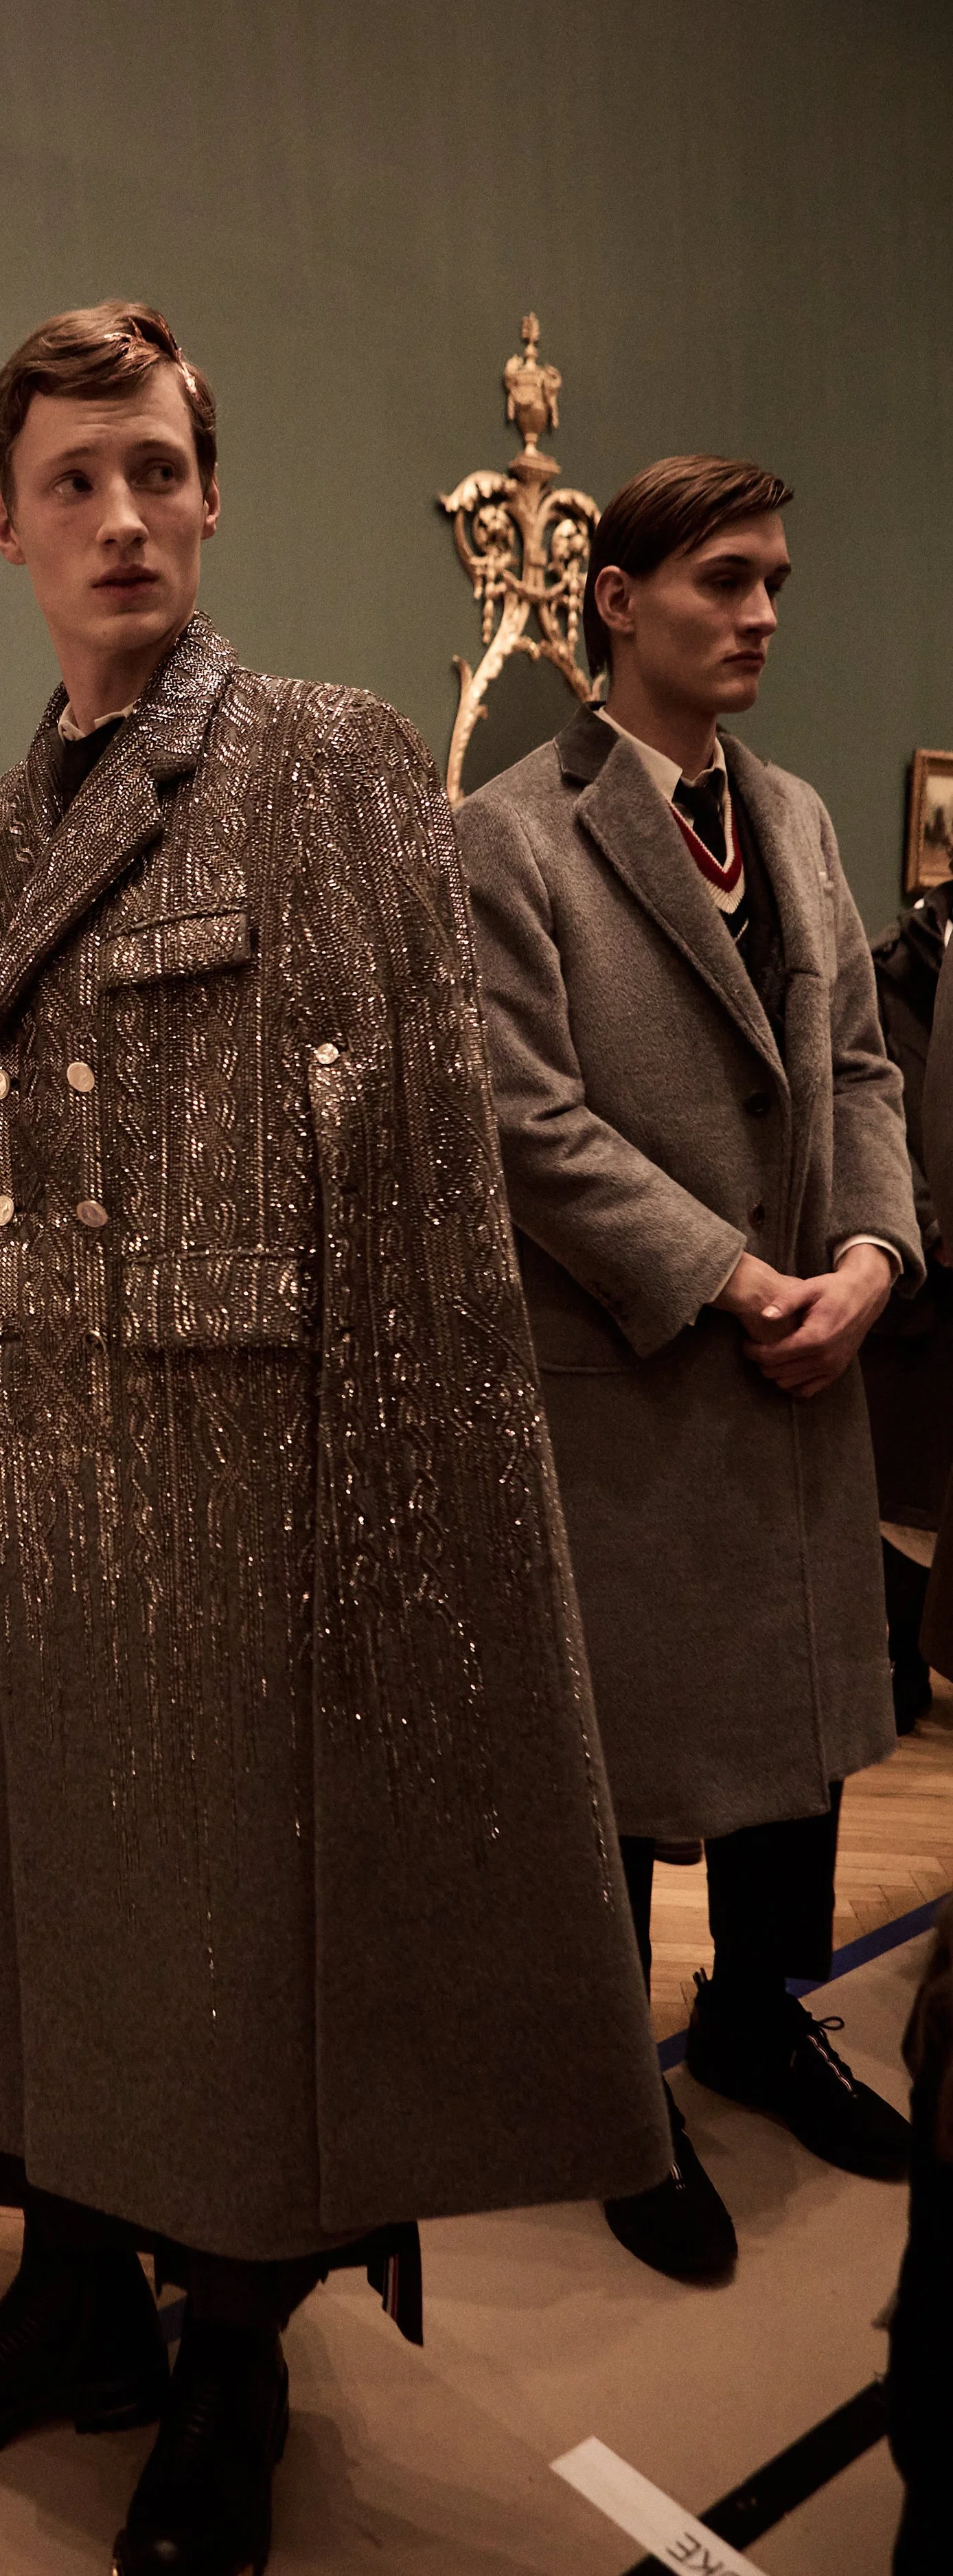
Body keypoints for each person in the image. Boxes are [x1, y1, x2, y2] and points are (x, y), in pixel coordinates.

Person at [0, 301, 666, 2576]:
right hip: (13, 1468)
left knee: (221, 1971)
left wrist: (405, 1547)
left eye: (157, 471)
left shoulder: (325, 762)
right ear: (3, 523)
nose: (121, 515)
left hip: (240, 1489)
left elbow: (417, 1180)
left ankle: (232, 2359)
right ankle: (70, 2294)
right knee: (24, 1928)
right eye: (75, 480)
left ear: (209, 499)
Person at [458, 455, 919, 2288]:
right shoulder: (509, 832)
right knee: (629, 1755)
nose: (760, 614)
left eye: (776, 581)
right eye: (723, 579)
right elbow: (516, 1116)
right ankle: (607, 2089)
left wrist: (874, 1260)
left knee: (796, 1729)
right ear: (614, 600)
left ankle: (756, 2013)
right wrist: (732, 1278)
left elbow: (864, 1068)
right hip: (641, 1370)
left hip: (809, 1361)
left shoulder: (795, 817)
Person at [868, 880, 953, 1726]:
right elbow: (876, 1104)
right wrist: (929, 1222)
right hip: (915, 1267)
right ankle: (896, 1657)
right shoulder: (891, 971)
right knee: (902, 1479)